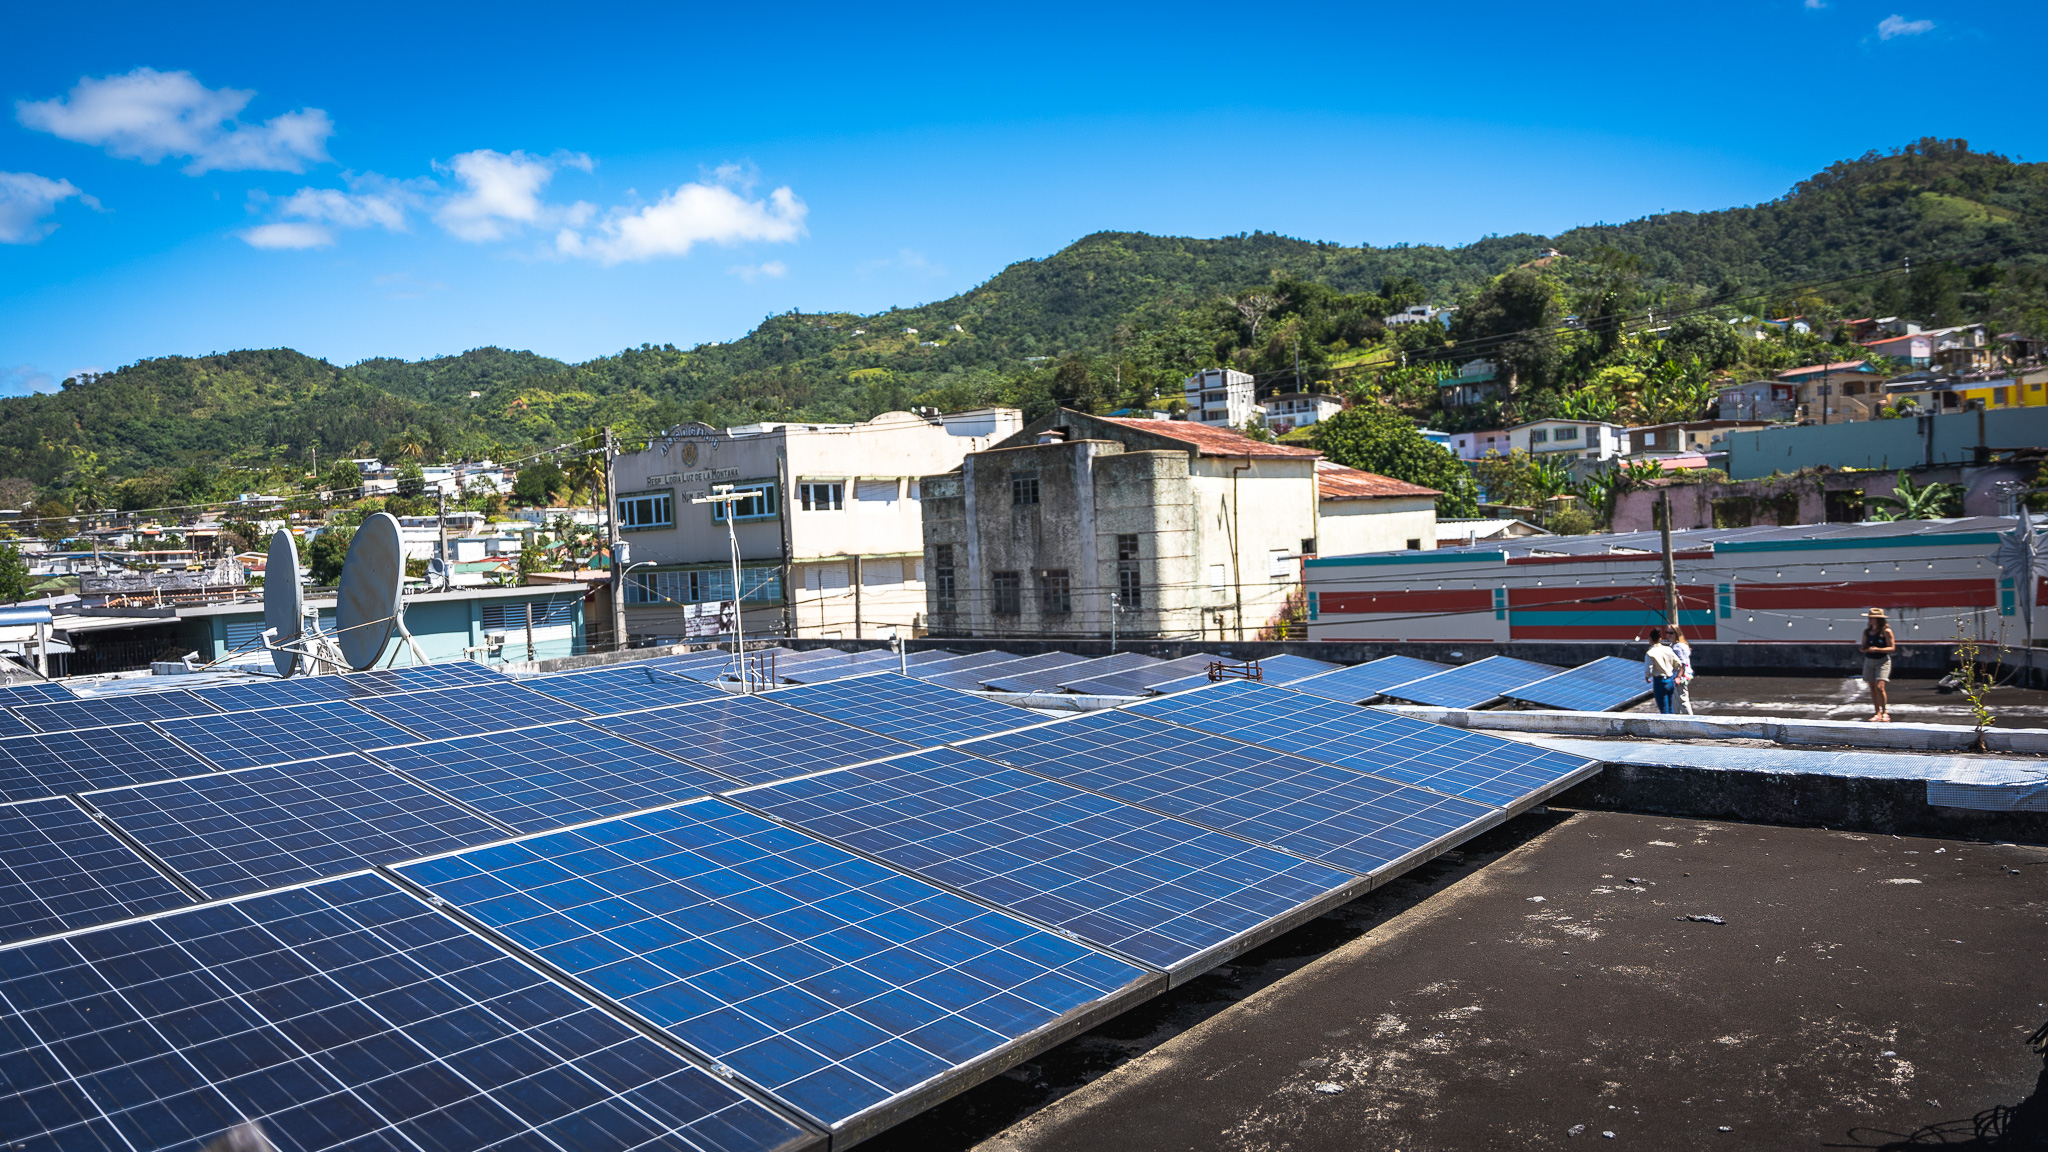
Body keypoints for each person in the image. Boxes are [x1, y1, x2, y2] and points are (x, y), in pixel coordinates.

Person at [1859, 607, 1896, 721]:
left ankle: (1885, 712)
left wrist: (1877, 649)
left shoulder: (1886, 631)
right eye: (1869, 618)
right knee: (1872, 687)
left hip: (1882, 660)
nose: (1870, 620)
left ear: (1878, 619)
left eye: (1872, 618)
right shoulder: (1867, 631)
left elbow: (1892, 648)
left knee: (1880, 686)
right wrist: (1865, 649)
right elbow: (1863, 645)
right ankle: (1877, 713)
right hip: (1869, 660)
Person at [1643, 627, 1680, 714]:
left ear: (1650, 639)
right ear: (1660, 639)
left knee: (1664, 710)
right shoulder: (1668, 649)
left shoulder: (1650, 653)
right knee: (1671, 708)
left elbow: (1648, 669)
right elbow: (1678, 663)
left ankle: (1667, 727)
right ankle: (1673, 726)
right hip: (1670, 680)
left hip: (1660, 681)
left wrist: (1647, 676)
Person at [1671, 628, 1696, 715]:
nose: (1668, 635)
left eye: (1671, 633)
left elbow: (1682, 663)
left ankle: (1691, 720)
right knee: (1676, 700)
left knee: (1682, 700)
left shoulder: (1677, 647)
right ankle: (1675, 718)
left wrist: (1678, 677)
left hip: (1680, 676)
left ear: (1676, 634)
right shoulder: (1683, 645)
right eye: (1667, 632)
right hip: (1685, 675)